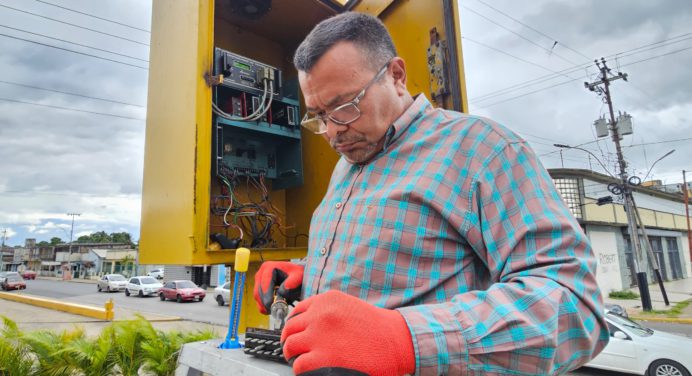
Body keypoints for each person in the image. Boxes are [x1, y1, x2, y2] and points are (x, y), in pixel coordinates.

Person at [253, 12, 609, 376]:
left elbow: (575, 309)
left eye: (344, 107)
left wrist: (406, 339)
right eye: (318, 115)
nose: (332, 132)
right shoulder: (345, 167)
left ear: (396, 75)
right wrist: (305, 272)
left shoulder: (484, 149)